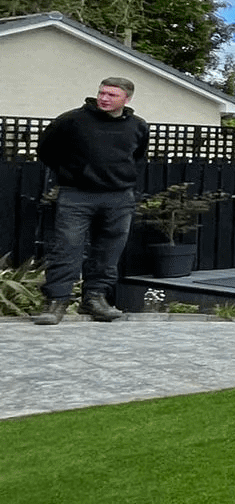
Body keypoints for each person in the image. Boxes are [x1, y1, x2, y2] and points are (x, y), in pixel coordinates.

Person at [33, 77, 150, 324]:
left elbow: (137, 157)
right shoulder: (72, 121)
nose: (104, 98)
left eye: (112, 95)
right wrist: (71, 173)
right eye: (102, 93)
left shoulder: (138, 126)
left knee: (109, 251)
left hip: (119, 197)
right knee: (67, 248)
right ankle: (56, 302)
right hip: (77, 195)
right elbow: (46, 150)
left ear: (126, 99)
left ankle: (95, 299)